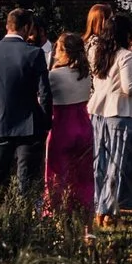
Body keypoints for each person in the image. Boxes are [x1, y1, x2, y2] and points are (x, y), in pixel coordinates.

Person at [0, 8, 51, 196]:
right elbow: (45, 92)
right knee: (27, 181)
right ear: (26, 27)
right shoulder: (34, 53)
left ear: (7, 26)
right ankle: (24, 220)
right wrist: (45, 122)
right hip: (29, 125)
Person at [87, 17, 132, 216]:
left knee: (99, 162)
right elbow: (129, 87)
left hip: (97, 109)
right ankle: (108, 207)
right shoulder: (125, 55)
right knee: (116, 162)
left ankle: (97, 205)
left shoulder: (96, 51)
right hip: (120, 111)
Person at [43, 32, 95, 218]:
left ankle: (56, 212)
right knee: (84, 175)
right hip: (83, 123)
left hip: (62, 125)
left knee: (57, 174)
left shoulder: (54, 75)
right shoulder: (85, 74)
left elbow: (43, 98)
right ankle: (85, 212)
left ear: (62, 50)